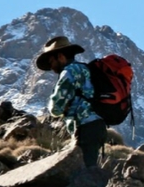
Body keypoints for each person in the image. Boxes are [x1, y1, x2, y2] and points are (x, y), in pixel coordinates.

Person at [35, 36, 107, 168]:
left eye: (51, 61)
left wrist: (60, 107)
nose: (51, 67)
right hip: (98, 125)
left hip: (85, 127)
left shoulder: (68, 72)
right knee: (91, 167)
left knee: (83, 172)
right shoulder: (85, 69)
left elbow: (56, 107)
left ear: (60, 56)